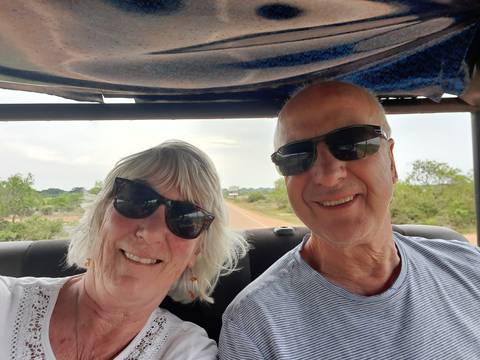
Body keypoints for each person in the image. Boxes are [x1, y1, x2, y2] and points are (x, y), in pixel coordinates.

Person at [219, 81, 480, 359]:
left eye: (352, 143)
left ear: (391, 162)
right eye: (297, 155)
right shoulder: (254, 326)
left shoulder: (469, 267)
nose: (329, 175)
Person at [0, 140, 248, 359]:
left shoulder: (187, 351)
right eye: (136, 199)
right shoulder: (6, 303)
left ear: (197, 251)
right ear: (100, 216)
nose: (149, 232)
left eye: (185, 218)